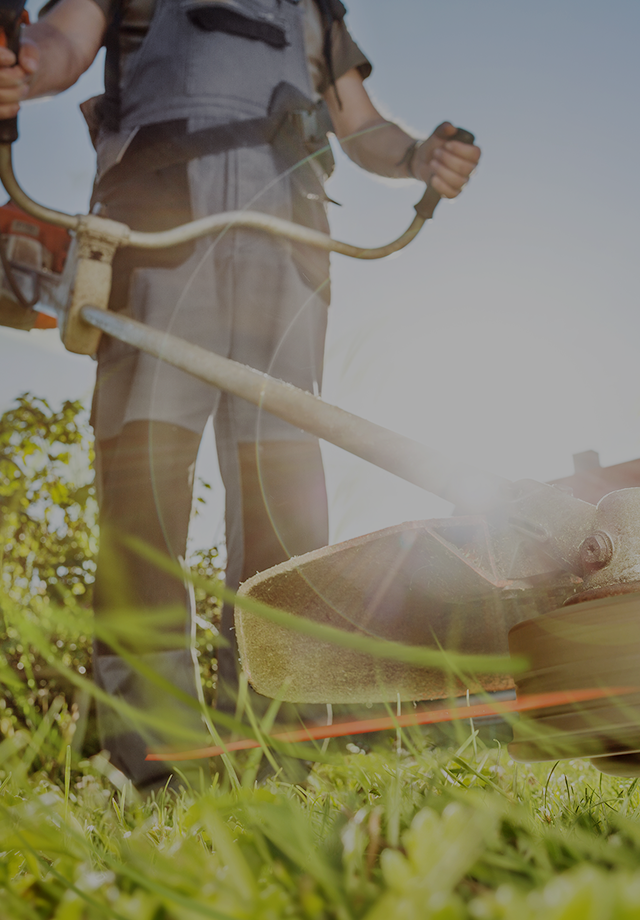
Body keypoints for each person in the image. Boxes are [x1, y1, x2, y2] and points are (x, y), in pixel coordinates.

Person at [0, 0, 481, 792]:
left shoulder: (314, 10)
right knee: (143, 502)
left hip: (288, 250)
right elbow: (60, 44)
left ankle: (282, 772)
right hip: (156, 232)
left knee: (285, 519)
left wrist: (421, 154)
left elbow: (358, 124)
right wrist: (23, 63)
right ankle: (159, 780)